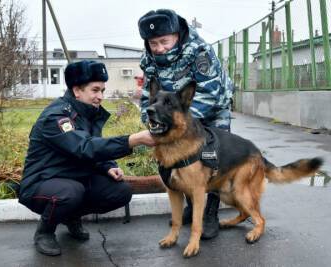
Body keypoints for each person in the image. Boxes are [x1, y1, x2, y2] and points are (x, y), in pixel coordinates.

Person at [18, 60, 155, 256]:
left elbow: (92, 145)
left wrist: (107, 166)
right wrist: (134, 139)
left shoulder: (86, 112)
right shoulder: (57, 117)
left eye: (103, 90)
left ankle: (70, 216)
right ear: (77, 90)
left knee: (120, 191)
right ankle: (44, 232)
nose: (100, 96)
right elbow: (84, 147)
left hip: (73, 178)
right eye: (95, 90)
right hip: (41, 182)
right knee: (70, 192)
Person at [138, 9, 234, 240]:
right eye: (153, 43)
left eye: (164, 41)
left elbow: (210, 94)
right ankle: (192, 207)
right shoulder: (149, 60)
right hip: (174, 114)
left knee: (211, 160)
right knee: (183, 163)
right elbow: (147, 97)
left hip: (211, 110)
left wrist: (180, 129)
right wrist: (151, 122)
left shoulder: (199, 52)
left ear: (176, 35)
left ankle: (210, 214)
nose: (159, 48)